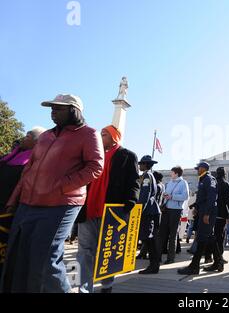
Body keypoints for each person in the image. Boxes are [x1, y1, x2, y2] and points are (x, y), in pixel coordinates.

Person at [1, 94, 104, 293]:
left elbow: (95, 167)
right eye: (52, 108)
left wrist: (62, 186)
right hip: (28, 203)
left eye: (58, 108)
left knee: (47, 257)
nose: (53, 112)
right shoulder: (46, 136)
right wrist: (14, 199)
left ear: (74, 110)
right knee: (20, 254)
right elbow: (28, 169)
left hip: (62, 204)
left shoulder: (89, 134)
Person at [76, 125, 140, 293]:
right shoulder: (92, 155)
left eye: (104, 134)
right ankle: (83, 289)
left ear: (115, 138)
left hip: (111, 213)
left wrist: (130, 203)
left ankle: (107, 286)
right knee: (84, 252)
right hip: (87, 211)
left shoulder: (128, 156)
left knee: (107, 252)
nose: (100, 136)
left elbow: (134, 183)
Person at [0, 127, 46, 276]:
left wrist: (12, 205)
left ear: (36, 142)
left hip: (8, 208)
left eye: (28, 136)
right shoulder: (9, 156)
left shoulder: (34, 162)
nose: (23, 138)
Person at [178, 162, 222, 274]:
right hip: (203, 210)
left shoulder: (209, 179)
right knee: (209, 237)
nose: (197, 170)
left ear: (204, 168)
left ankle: (194, 266)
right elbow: (202, 197)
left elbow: (212, 197)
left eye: (199, 168)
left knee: (202, 237)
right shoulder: (202, 180)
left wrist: (206, 213)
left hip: (208, 212)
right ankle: (218, 262)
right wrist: (197, 207)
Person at [158, 166, 189, 264]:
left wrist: (172, 196)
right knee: (162, 234)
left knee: (172, 235)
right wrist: (165, 196)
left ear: (176, 173)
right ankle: (157, 257)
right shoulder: (170, 182)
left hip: (176, 211)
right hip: (166, 209)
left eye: (172, 172)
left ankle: (171, 258)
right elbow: (167, 194)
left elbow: (185, 196)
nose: (170, 174)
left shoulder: (183, 183)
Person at [136, 155, 160, 274]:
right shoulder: (148, 175)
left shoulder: (147, 176)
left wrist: (139, 210)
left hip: (147, 211)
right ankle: (154, 264)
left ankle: (154, 265)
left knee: (149, 238)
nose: (139, 165)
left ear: (145, 164)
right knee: (148, 238)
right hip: (150, 210)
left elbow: (145, 195)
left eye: (141, 164)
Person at [210, 167, 229, 256]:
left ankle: (210, 255)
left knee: (212, 234)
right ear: (224, 174)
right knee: (219, 236)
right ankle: (219, 256)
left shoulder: (213, 183)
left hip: (211, 213)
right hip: (221, 213)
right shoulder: (225, 184)